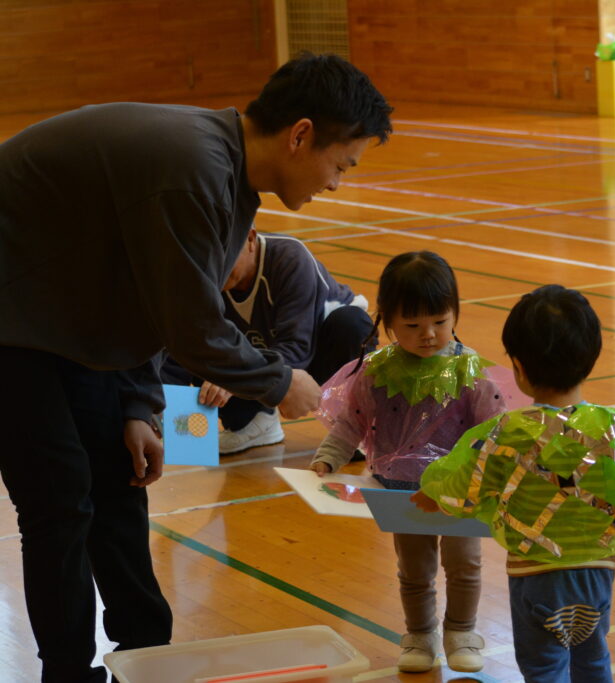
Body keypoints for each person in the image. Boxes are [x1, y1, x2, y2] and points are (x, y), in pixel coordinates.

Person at [0, 53, 392, 682]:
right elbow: (192, 325)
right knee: (60, 501)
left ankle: (148, 656)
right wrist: (280, 384)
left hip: (66, 315)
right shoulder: (193, 170)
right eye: (341, 164)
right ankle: (68, 674)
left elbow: (144, 294)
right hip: (15, 319)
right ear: (300, 135)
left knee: (119, 477)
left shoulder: (224, 177)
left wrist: (138, 407)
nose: (337, 184)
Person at [413, 284, 615, 683]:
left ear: (518, 367)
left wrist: (434, 495)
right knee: (593, 660)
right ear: (591, 358)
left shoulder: (506, 433)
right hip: (595, 577)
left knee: (543, 667)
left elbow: (465, 486)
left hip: (534, 578)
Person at [310, 250, 505, 674]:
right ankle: (419, 635)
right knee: (414, 570)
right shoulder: (376, 371)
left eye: (440, 321)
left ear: (455, 313)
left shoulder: (470, 370)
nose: (429, 335)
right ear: (388, 321)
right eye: (413, 326)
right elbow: (351, 422)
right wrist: (328, 458)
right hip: (400, 491)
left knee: (466, 565)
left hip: (458, 491)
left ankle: (461, 632)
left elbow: (494, 429)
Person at [163, 227, 376, 454]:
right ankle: (251, 422)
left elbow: (297, 348)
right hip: (262, 362)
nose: (217, 269)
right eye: (208, 259)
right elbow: (179, 349)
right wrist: (162, 421)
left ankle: (354, 429)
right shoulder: (201, 275)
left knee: (352, 323)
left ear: (250, 239)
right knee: (196, 340)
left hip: (315, 356)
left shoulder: (290, 258)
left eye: (225, 256)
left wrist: (233, 376)